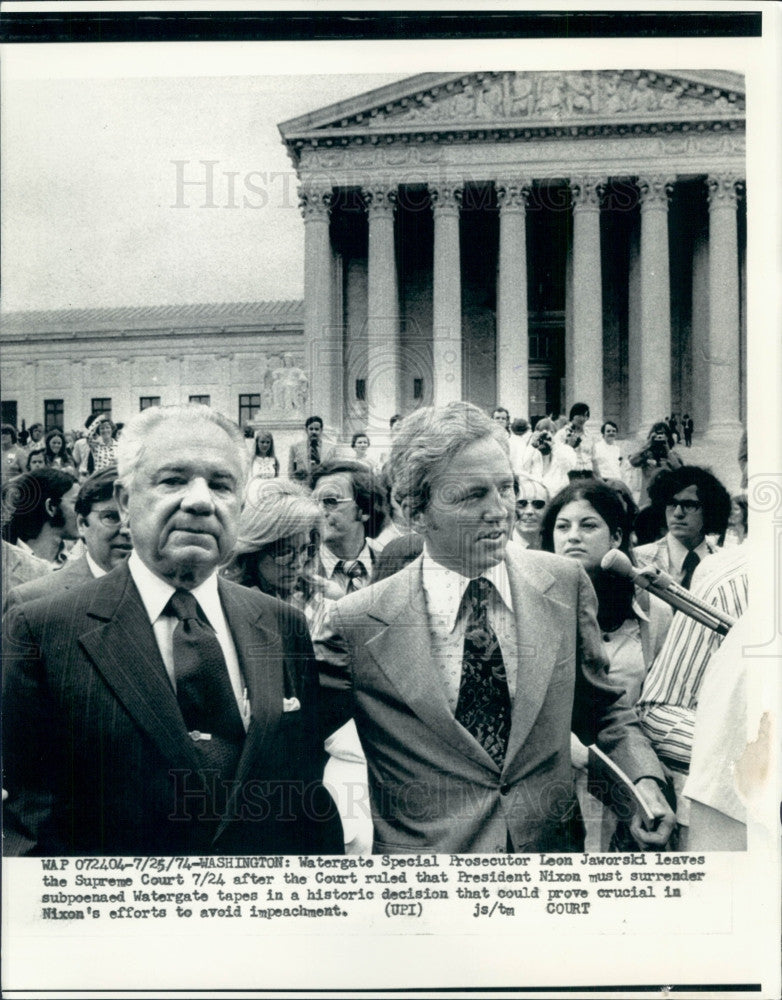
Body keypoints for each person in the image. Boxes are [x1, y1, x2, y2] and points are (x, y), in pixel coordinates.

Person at [316, 401, 674, 854]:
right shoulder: (356, 623)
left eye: (505, 488)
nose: (500, 511)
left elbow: (602, 711)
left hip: (549, 869)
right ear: (413, 511)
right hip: (423, 888)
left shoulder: (563, 585)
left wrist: (642, 780)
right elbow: (290, 748)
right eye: (472, 495)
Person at [3, 403, 342, 856]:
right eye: (173, 480)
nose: (200, 500)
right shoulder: (43, 630)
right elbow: (29, 827)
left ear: (239, 505)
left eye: (221, 484)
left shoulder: (282, 625)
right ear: (124, 502)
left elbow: (304, 797)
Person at [541, 479, 673, 848]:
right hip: (557, 787)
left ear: (616, 537)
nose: (573, 537)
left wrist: (642, 779)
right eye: (562, 526)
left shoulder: (652, 612)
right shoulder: (532, 607)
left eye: (588, 525)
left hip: (633, 778)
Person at [4, 467, 132, 612]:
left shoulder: (80, 561)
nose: (126, 529)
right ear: (51, 507)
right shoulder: (11, 564)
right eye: (74, 502)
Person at [634, 466, 731, 588]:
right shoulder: (638, 560)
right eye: (671, 504)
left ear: (710, 509)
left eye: (689, 505)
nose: (677, 513)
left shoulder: (725, 562)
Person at [310, 458, 385, 597]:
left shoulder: (390, 566)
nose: (318, 511)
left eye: (330, 501)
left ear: (365, 510)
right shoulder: (299, 572)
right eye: (313, 502)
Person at [1, 467, 80, 565]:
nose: (83, 511)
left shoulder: (77, 564)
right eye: (76, 503)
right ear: (51, 507)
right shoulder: (6, 564)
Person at [629, 421, 684, 507]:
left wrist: (667, 449)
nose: (660, 436)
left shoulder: (673, 455)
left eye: (663, 433)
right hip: (648, 499)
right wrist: (648, 443)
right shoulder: (646, 454)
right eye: (657, 433)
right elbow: (633, 461)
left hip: (667, 499)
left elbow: (680, 471)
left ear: (668, 436)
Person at [520, 417, 575, 496]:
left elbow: (568, 466)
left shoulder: (565, 449)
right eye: (541, 432)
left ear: (555, 434)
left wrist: (553, 445)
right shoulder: (531, 451)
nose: (545, 436)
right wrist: (532, 446)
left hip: (557, 495)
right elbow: (523, 467)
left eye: (551, 432)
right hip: (537, 497)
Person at [554, 402, 601, 478]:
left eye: (585, 416)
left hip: (589, 475)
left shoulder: (590, 435)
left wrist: (599, 478)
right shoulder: (562, 434)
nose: (582, 419)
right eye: (580, 415)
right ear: (573, 416)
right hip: (571, 475)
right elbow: (557, 458)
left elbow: (594, 460)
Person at [288, 414, 336, 482]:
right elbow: (290, 471)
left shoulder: (331, 447)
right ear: (306, 430)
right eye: (311, 429)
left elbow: (334, 470)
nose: (314, 432)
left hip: (322, 484)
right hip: (302, 485)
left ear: (321, 430)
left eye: (316, 429)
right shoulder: (295, 447)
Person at [512, 474, 549, 550]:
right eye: (522, 504)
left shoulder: (554, 545)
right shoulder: (502, 546)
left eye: (538, 504)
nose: (529, 511)